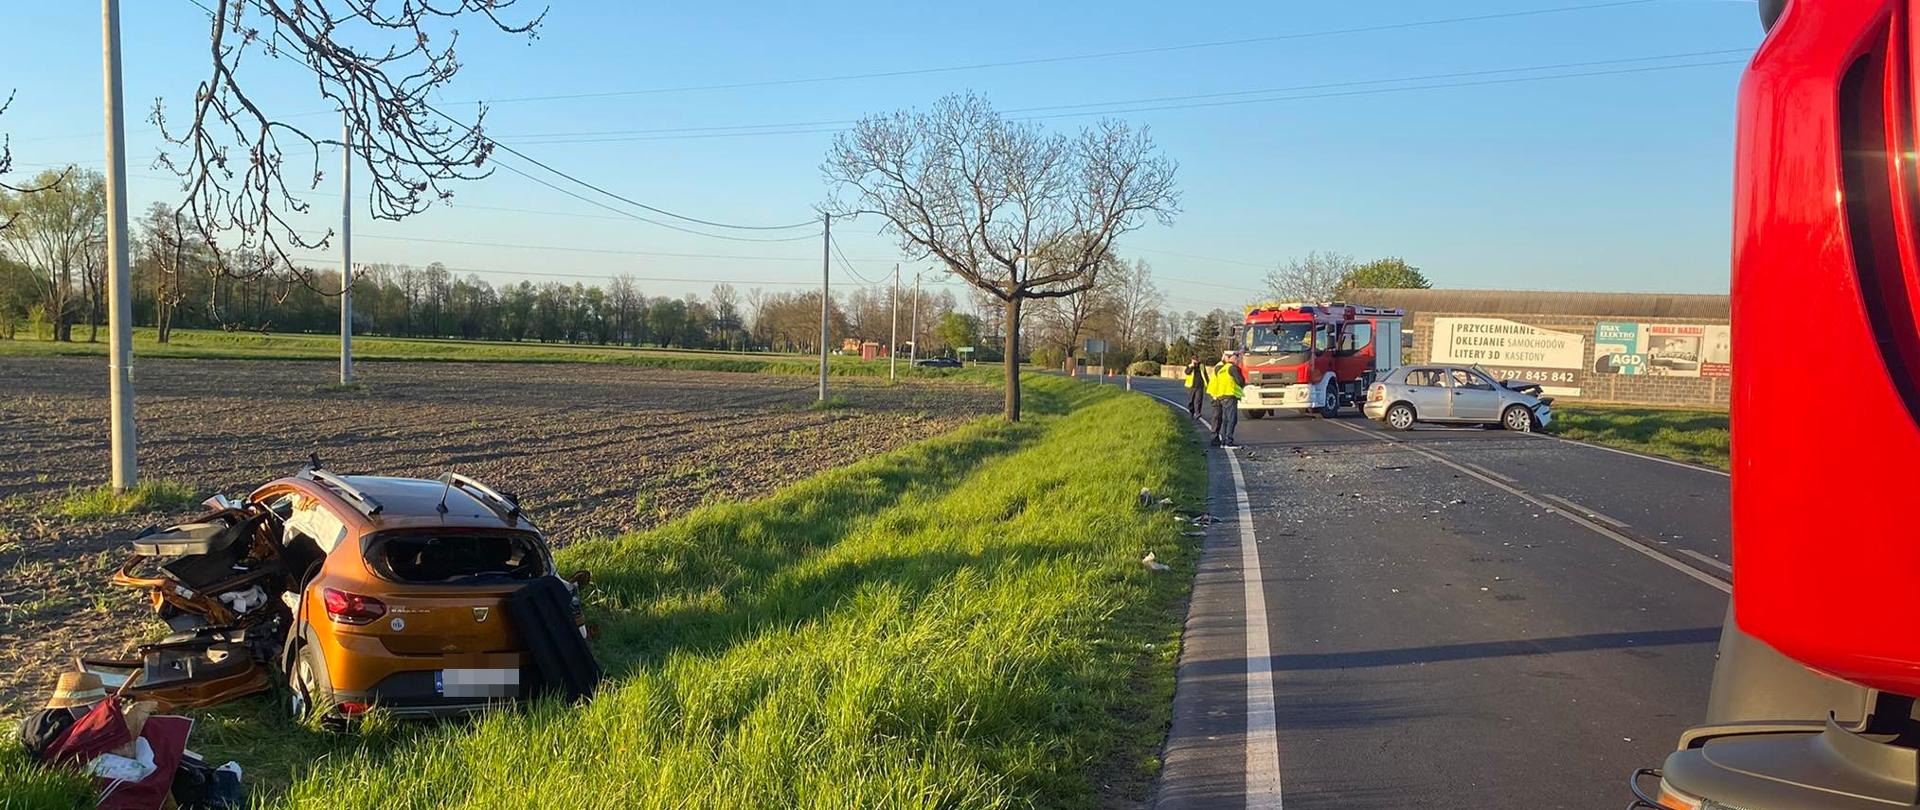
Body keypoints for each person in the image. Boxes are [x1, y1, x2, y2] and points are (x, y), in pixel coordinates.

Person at [1206, 350, 1247, 448]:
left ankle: (1223, 441)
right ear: (1233, 358)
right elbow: (1240, 381)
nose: (1238, 360)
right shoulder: (1233, 368)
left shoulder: (1222, 369)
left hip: (1221, 396)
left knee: (1225, 419)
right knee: (1232, 419)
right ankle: (1228, 441)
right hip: (1230, 395)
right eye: (1237, 358)